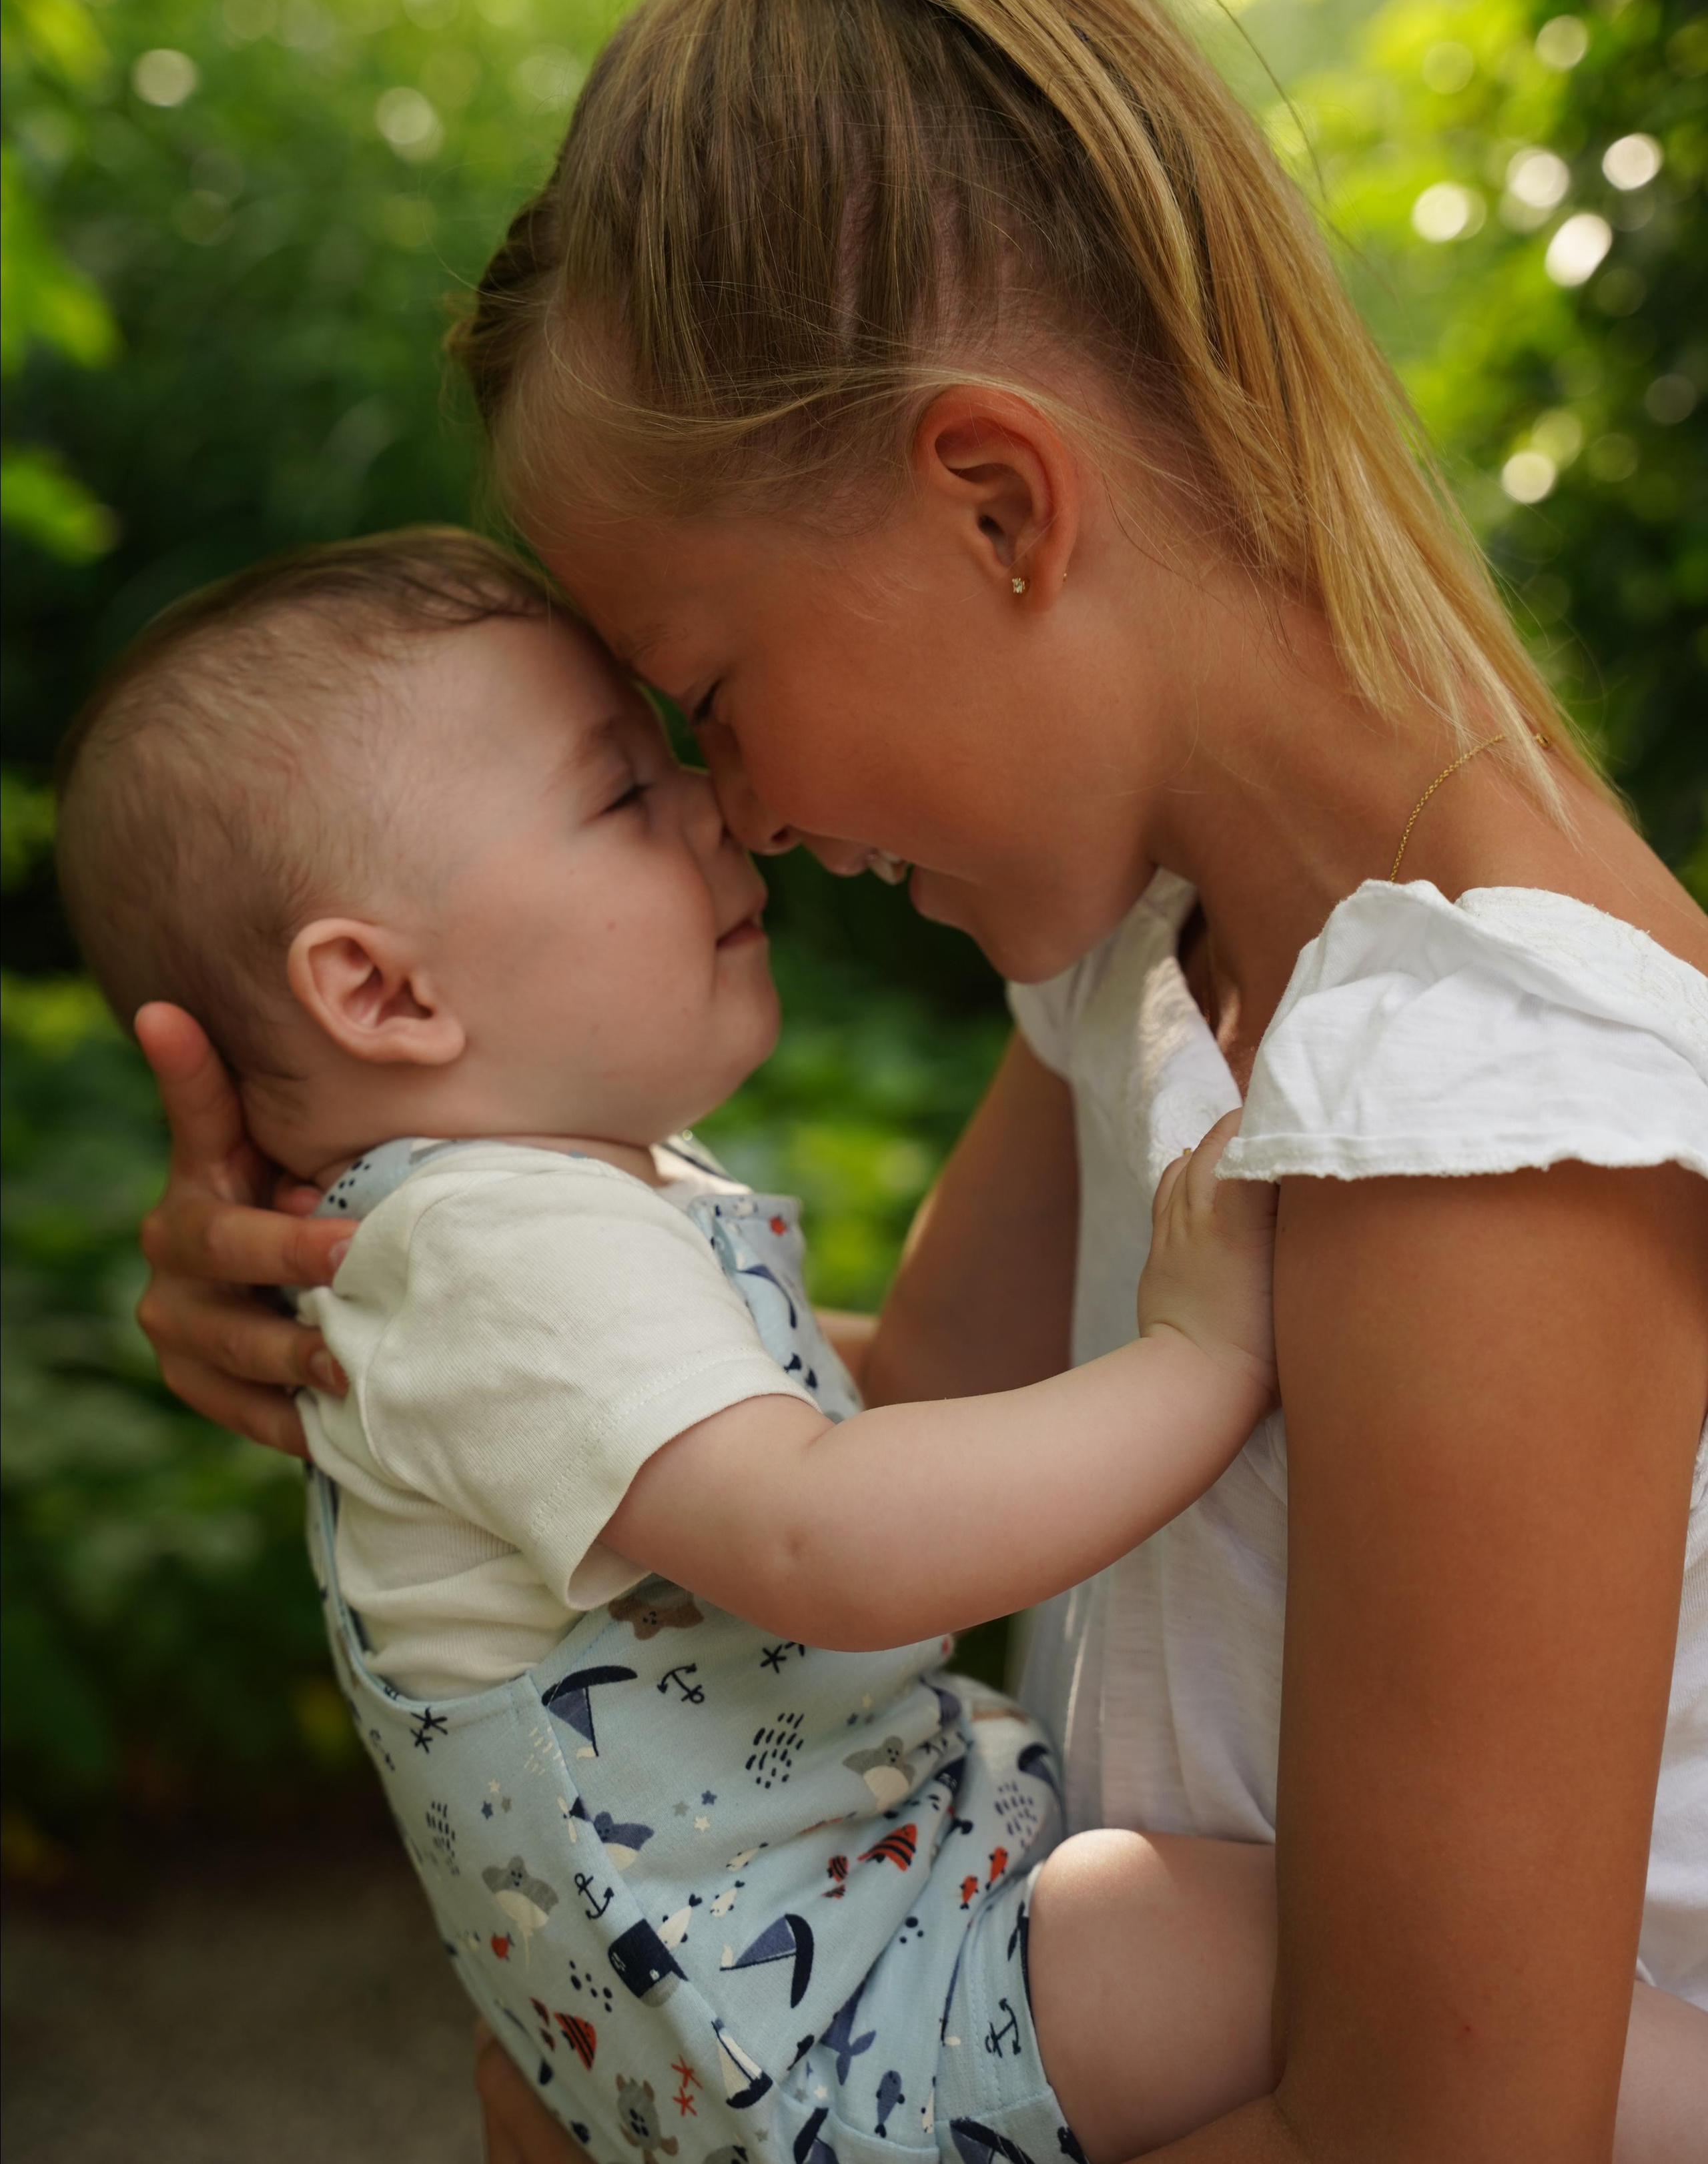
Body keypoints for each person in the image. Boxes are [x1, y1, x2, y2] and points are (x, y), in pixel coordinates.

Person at [127, 0, 1708, 2160]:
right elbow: (876, 1422)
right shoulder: (1164, 960)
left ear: (996, 501)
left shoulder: (1481, 1109)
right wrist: (415, 1291)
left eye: (709, 693)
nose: (739, 809)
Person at [57, 525, 1292, 2158]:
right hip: (854, 2013)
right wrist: (1197, 1356)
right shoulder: (493, 1243)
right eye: (623, 790)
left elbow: (878, 1401)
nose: (715, 801)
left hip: (844, 1970)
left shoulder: (515, 1222)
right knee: (1367, 1966)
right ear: (381, 991)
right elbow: (827, 1533)